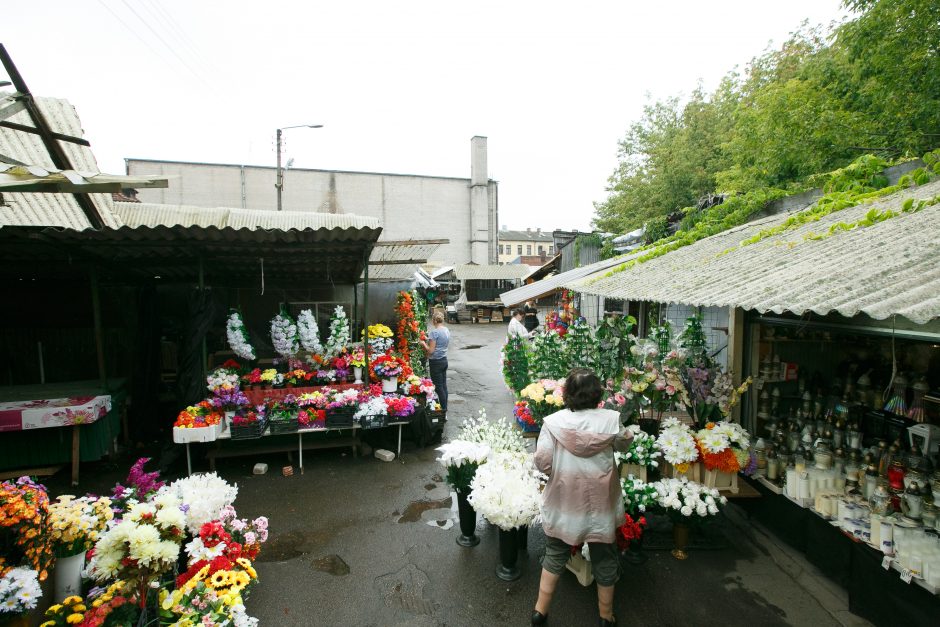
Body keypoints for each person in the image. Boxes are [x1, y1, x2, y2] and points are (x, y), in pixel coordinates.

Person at [531, 368, 633, 627]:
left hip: (565, 500)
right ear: (596, 394)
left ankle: (539, 613)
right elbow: (624, 444)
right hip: (600, 502)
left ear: (568, 394)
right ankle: (605, 616)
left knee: (555, 552)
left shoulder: (553, 423)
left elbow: (542, 462)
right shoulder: (611, 420)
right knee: (605, 555)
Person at [419, 311, 450, 411]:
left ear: (434, 320)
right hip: (444, 360)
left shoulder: (434, 332)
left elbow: (431, 351)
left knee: (438, 387)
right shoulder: (446, 330)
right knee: (444, 386)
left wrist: (423, 343)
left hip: (436, 362)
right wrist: (429, 339)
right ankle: (445, 409)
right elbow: (439, 344)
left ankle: (443, 410)